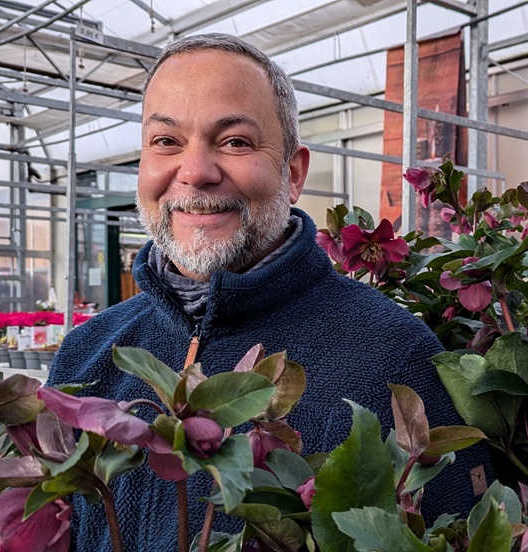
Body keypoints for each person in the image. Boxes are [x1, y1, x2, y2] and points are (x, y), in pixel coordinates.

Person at [47, 33, 491, 552]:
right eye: (167, 142)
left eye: (235, 141)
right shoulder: (88, 354)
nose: (194, 172)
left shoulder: (393, 357)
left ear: (294, 173)